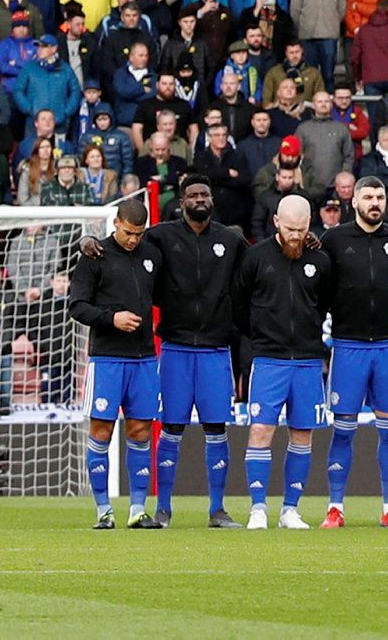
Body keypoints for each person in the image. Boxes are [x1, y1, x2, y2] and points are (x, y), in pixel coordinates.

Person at [145, 176, 245, 527]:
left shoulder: (231, 241)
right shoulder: (160, 237)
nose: (199, 199)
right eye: (193, 195)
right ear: (182, 201)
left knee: (216, 428)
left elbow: (255, 275)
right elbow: (127, 253)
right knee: (171, 428)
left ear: (212, 199)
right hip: (175, 348)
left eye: (205, 193)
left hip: (216, 350)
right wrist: (92, 244)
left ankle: (217, 509)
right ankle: (163, 509)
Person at [318, 175, 388, 526]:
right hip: (348, 345)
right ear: (355, 201)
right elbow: (319, 286)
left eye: (380, 197)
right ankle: (335, 508)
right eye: (368, 197)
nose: (375, 203)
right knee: (343, 427)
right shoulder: (334, 239)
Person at [236, 190, 332, 528]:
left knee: (302, 433)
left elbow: (324, 305)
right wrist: (261, 338)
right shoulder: (256, 257)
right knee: (261, 430)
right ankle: (258, 508)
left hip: (307, 359)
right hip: (268, 359)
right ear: (276, 222)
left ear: (310, 225)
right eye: (289, 229)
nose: (295, 236)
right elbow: (238, 305)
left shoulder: (320, 261)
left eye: (301, 229)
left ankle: (290, 509)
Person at [68, 194, 162, 529]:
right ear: (116, 224)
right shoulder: (95, 256)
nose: (134, 240)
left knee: (140, 430)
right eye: (128, 233)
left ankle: (138, 509)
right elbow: (77, 306)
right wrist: (112, 318)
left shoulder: (152, 255)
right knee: (102, 429)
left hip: (144, 359)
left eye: (139, 233)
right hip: (107, 358)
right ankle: (103, 510)